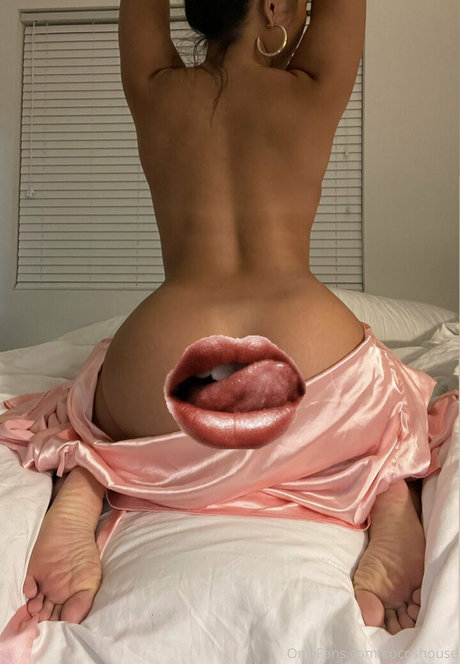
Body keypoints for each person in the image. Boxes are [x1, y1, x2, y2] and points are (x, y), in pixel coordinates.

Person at [17, 0, 427, 635]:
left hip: (165, 367)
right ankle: (387, 489)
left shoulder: (155, 87)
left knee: (95, 406)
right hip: (308, 362)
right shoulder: (311, 89)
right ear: (272, 7)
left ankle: (93, 477)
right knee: (397, 405)